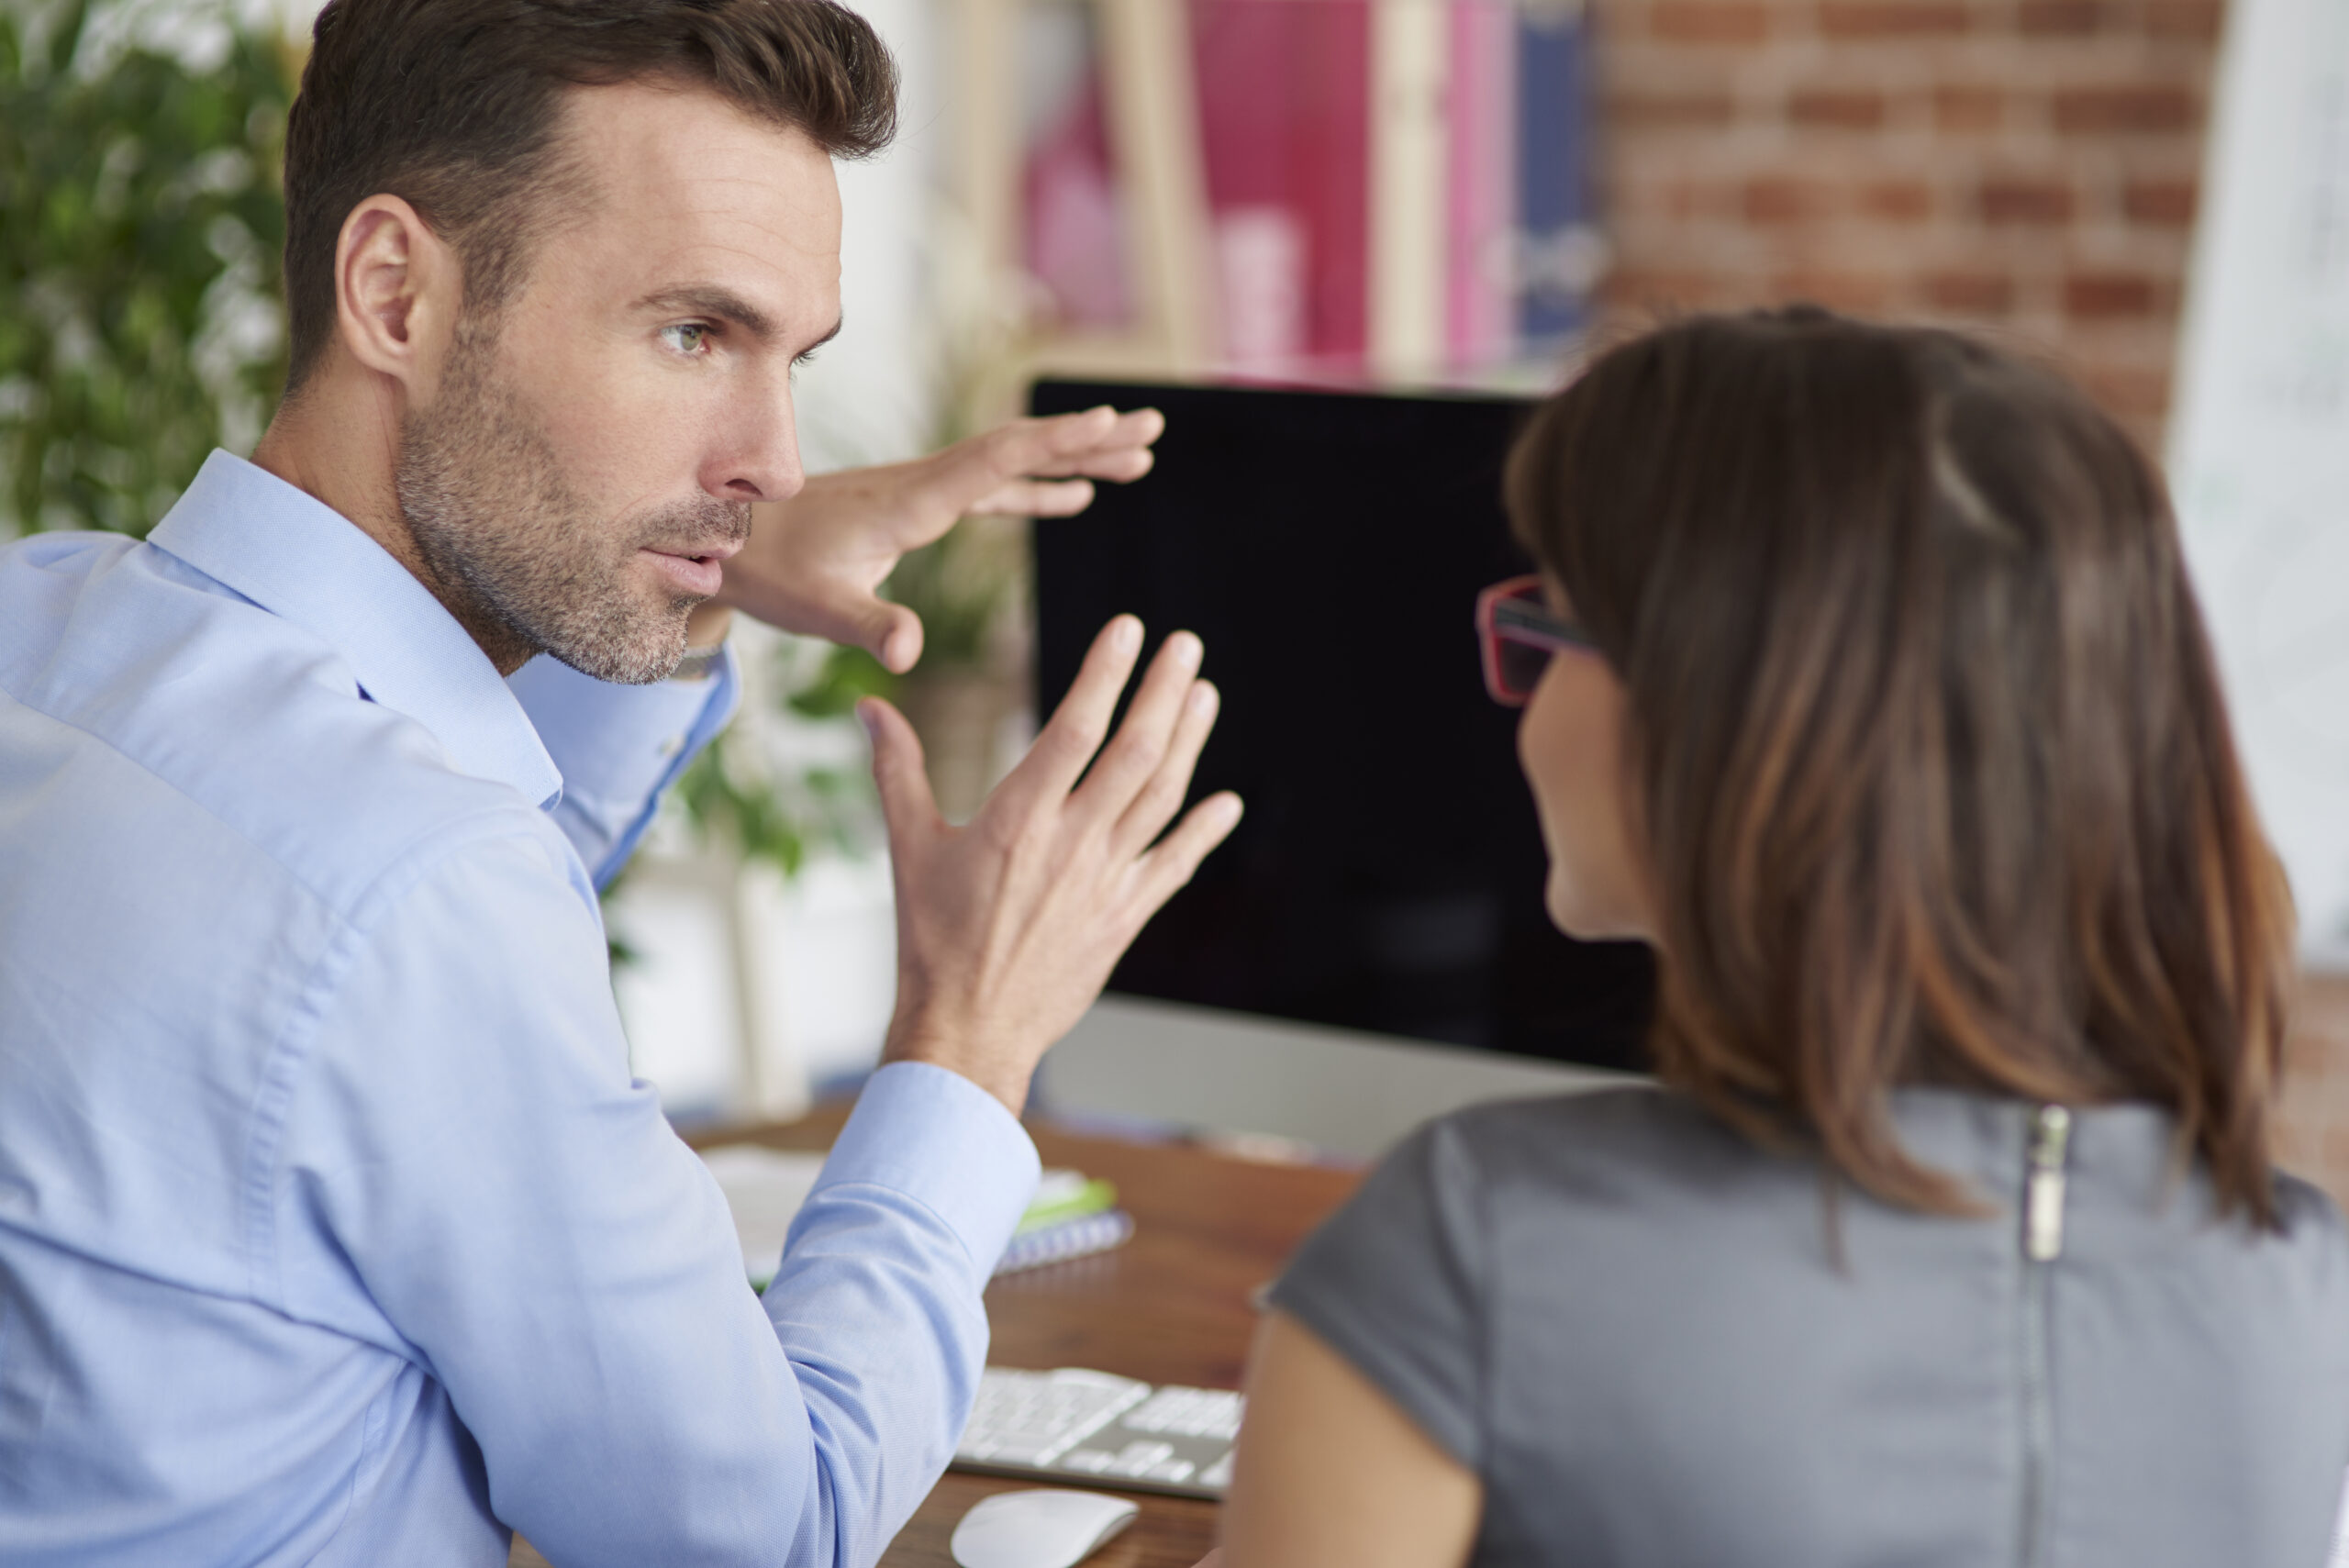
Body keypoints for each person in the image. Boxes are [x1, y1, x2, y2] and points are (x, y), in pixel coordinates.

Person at [0, 2, 1239, 1564]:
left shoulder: (42, 625)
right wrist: (969, 1035)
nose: (776, 462)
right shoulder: (417, 883)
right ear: (395, 291)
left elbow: (352, 967)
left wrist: (697, 572)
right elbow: (762, 1534)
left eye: (791, 358)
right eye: (692, 334)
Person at [1213, 310, 2349, 1568]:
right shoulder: (2302, 1286)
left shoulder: (1472, 1246)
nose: (1525, 713)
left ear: (1712, 713)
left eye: (1551, 627)